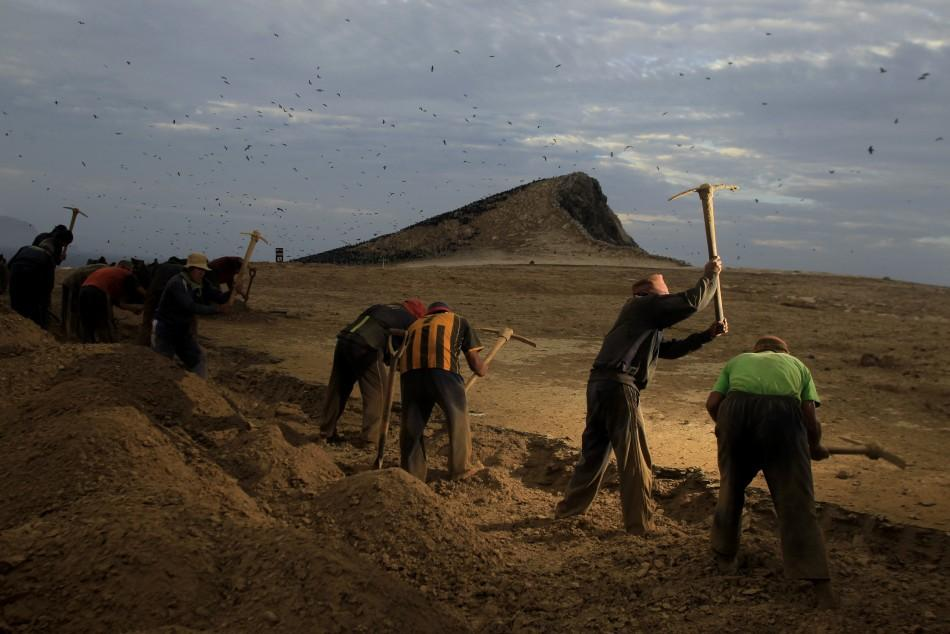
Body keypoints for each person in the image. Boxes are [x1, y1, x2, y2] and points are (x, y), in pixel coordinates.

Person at [555, 258, 728, 534]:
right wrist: (710, 276)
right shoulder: (645, 306)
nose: (665, 303)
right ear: (653, 296)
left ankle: (568, 511)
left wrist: (705, 336)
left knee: (594, 454)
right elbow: (691, 303)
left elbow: (668, 350)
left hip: (599, 384)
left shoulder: (639, 319)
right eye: (664, 299)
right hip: (619, 388)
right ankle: (640, 524)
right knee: (635, 458)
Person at [704, 335, 835, 608]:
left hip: (736, 413)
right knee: (796, 499)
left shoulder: (738, 360)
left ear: (757, 350)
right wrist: (814, 445)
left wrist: (724, 427)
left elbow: (713, 404)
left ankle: (724, 556)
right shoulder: (797, 366)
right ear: (784, 351)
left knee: (731, 488)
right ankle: (816, 580)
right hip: (783, 418)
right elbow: (809, 414)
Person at [398, 301, 486, 481]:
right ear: (448, 310)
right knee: (458, 419)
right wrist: (482, 368)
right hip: (443, 372)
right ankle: (461, 469)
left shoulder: (414, 324)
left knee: (412, 425)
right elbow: (475, 364)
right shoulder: (459, 320)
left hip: (410, 374)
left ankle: (411, 474)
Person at [321, 299, 428, 444]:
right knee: (379, 393)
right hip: (366, 346)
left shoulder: (380, 307)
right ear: (417, 315)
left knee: (338, 388)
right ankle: (370, 439)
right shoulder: (411, 321)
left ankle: (326, 431)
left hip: (344, 340)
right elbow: (400, 354)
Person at [151, 253, 229, 378]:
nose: (202, 273)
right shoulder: (177, 283)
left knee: (198, 359)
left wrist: (233, 291)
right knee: (164, 365)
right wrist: (217, 309)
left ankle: (201, 390)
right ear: (190, 269)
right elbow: (190, 306)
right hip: (165, 329)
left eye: (204, 270)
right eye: (199, 269)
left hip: (182, 330)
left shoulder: (201, 282)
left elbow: (218, 297)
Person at [7, 228, 73, 328]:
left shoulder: (25, 248)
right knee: (34, 308)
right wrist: (44, 302)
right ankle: (36, 330)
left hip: (15, 275)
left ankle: (14, 328)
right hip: (32, 277)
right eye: (65, 244)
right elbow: (48, 285)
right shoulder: (48, 257)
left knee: (16, 306)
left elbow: (9, 266)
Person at [78, 261, 146, 343]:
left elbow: (117, 303)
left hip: (83, 290)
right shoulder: (126, 273)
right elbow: (139, 289)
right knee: (104, 320)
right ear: (126, 268)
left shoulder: (110, 273)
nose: (131, 272)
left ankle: (88, 343)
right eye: (131, 270)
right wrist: (151, 298)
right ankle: (107, 343)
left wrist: (132, 309)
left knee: (87, 320)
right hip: (97, 292)